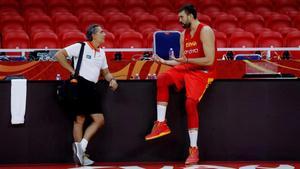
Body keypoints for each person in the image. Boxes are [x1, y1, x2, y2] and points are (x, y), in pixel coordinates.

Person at [145, 4, 216, 165]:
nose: (180, 21)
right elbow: (181, 62)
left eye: (182, 17)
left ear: (191, 16)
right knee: (162, 78)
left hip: (203, 72)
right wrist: (164, 61)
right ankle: (161, 123)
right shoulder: (183, 35)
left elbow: (210, 60)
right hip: (187, 68)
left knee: (190, 103)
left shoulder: (205, 31)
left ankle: (193, 149)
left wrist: (187, 61)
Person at [55, 24, 118, 166]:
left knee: (99, 120)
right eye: (102, 32)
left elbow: (106, 72)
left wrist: (112, 80)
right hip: (80, 85)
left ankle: (80, 148)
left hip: (93, 88)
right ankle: (81, 156)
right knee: (80, 120)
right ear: (93, 35)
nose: (104, 34)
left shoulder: (102, 52)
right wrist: (72, 71)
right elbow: (59, 55)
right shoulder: (81, 46)